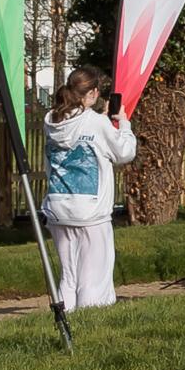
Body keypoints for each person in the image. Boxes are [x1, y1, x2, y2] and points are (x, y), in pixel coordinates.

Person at [40, 68, 138, 312]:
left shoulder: (52, 120)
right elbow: (124, 152)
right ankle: (91, 324)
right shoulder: (95, 122)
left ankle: (67, 317)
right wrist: (123, 124)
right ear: (94, 92)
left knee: (69, 275)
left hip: (58, 205)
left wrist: (103, 121)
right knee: (94, 276)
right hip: (90, 211)